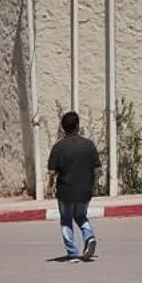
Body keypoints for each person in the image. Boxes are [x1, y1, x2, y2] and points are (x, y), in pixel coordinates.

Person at [45, 110, 100, 262]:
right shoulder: (89, 145)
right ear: (77, 126)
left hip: (65, 191)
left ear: (63, 128)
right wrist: (92, 186)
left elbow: (52, 172)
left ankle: (72, 253)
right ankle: (89, 237)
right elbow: (98, 170)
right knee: (81, 216)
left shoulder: (58, 148)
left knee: (66, 220)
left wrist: (49, 187)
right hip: (84, 190)